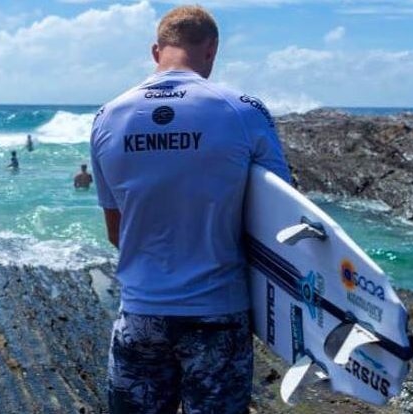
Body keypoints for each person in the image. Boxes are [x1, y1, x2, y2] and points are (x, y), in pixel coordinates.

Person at [90, 5, 290, 414]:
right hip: (217, 314)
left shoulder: (107, 117)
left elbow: (116, 232)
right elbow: (281, 217)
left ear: (155, 51)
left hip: (140, 313)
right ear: (212, 50)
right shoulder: (244, 111)